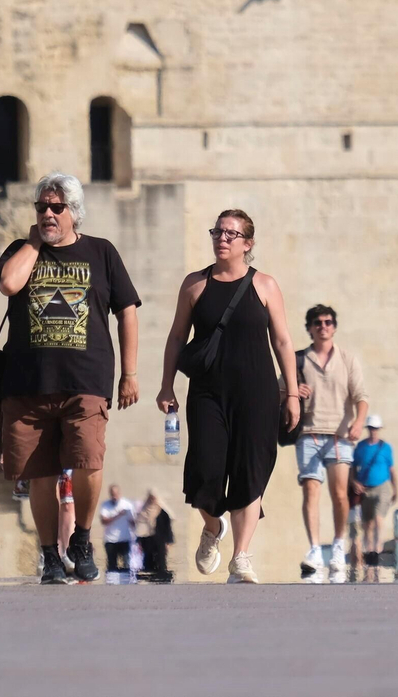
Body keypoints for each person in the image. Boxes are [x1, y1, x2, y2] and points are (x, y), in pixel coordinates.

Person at [0, 173, 142, 586]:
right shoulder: (22, 251)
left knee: (88, 460)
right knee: (39, 473)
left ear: (73, 212)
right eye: (41, 207)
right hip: (28, 383)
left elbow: (127, 310)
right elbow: (9, 284)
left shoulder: (101, 252)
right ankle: (49, 555)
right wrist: (34, 243)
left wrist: (129, 373)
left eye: (56, 207)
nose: (47, 213)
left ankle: (80, 538)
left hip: (86, 379)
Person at [156, 209, 301, 584]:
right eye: (217, 231)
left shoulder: (265, 285)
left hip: (257, 393)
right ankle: (212, 527)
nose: (222, 238)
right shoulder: (195, 285)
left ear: (247, 244)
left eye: (231, 234)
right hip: (207, 391)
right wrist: (166, 384)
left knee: (249, 473)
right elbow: (176, 337)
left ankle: (241, 558)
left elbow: (283, 341)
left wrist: (291, 393)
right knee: (204, 471)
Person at [292, 303, 369, 581]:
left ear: (334, 326)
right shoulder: (298, 359)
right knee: (310, 491)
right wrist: (292, 390)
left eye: (327, 322)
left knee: (339, 495)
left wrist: (359, 422)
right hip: (309, 434)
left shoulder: (347, 359)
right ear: (310, 328)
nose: (322, 327)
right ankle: (314, 548)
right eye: (317, 323)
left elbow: (361, 396)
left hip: (340, 435)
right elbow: (276, 390)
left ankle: (338, 545)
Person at [350, 414, 398, 571]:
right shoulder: (361, 448)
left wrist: (395, 488)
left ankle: (378, 549)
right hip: (365, 488)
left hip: (382, 487)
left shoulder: (386, 448)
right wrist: (354, 482)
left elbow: (392, 470)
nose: (373, 432)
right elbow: (352, 468)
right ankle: (369, 551)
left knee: (378, 518)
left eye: (376, 429)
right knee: (367, 524)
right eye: (371, 429)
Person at [135, 489, 174, 582]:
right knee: (148, 561)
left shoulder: (162, 512)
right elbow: (139, 527)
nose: (152, 500)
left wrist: (168, 541)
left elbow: (167, 527)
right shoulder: (143, 511)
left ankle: (161, 579)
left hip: (160, 540)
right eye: (151, 498)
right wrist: (139, 542)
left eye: (154, 498)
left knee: (161, 560)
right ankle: (149, 581)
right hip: (147, 541)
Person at [99, 484, 137, 574]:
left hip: (125, 539)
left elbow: (133, 522)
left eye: (116, 494)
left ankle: (126, 586)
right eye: (112, 494)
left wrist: (136, 538)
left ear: (119, 493)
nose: (114, 496)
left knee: (127, 566)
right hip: (110, 540)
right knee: (112, 567)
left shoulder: (127, 504)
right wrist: (118, 515)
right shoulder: (105, 505)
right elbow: (104, 521)